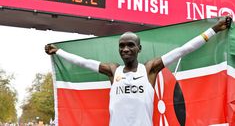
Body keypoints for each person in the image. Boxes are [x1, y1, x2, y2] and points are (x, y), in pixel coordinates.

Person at [45, 16, 232, 126]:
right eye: (122, 46)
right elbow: (83, 62)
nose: (125, 49)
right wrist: (58, 51)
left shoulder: (150, 69)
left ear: (139, 49)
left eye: (130, 45)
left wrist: (214, 29)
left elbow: (183, 50)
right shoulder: (113, 71)